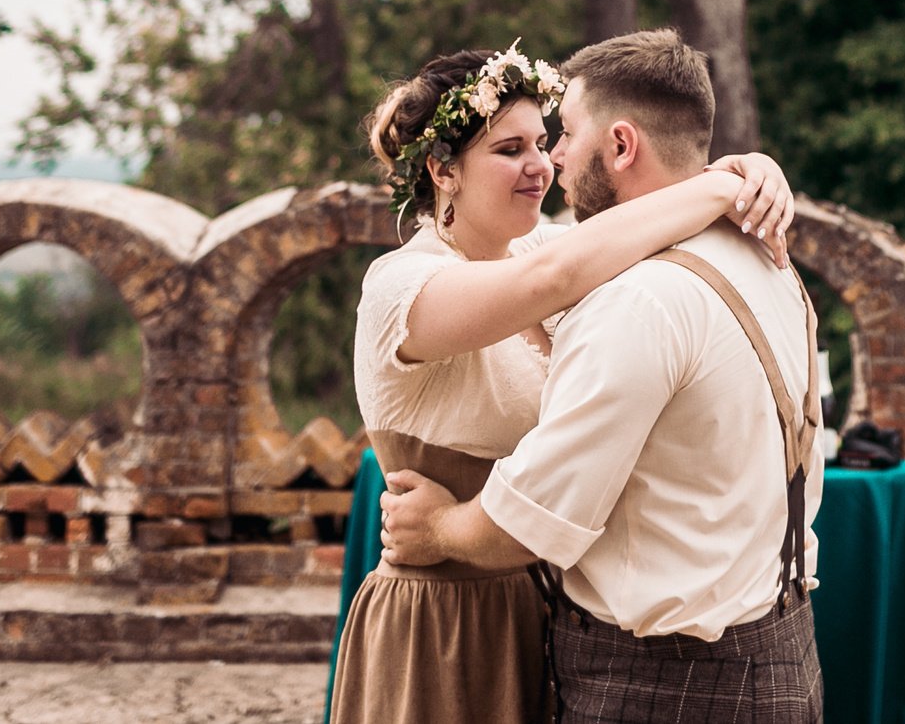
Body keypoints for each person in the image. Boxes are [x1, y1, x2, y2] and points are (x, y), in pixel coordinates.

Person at [326, 40, 798, 724]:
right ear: (442, 170)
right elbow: (558, 276)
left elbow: (633, 220)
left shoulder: (538, 246)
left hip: (534, 604)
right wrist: (722, 186)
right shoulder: (402, 286)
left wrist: (755, 169)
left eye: (546, 142)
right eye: (509, 148)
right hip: (445, 616)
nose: (542, 165)